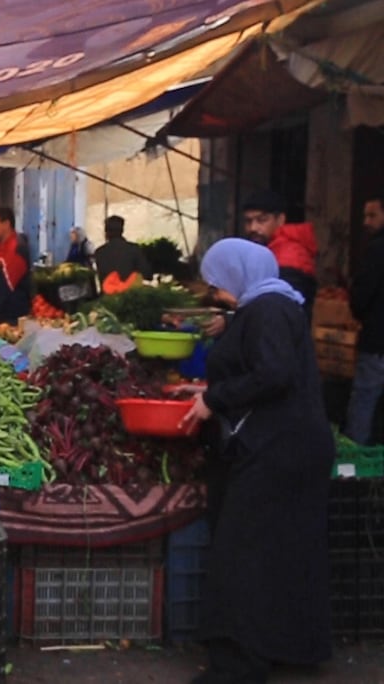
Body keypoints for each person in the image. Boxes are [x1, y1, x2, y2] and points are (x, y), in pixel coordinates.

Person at [179, 238, 333, 684]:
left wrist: (215, 399)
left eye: (218, 283)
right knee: (285, 553)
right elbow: (261, 362)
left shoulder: (266, 310)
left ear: (237, 275)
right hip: (291, 446)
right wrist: (229, 334)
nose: (215, 292)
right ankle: (291, 647)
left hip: (277, 451)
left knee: (242, 554)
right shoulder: (272, 305)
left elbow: (272, 373)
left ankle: (238, 665)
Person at [343, 195, 384, 444]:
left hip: (378, 341)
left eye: (372, 215)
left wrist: (359, 310)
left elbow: (362, 295)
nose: (366, 222)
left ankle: (353, 466)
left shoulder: (377, 249)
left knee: (364, 400)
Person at [242, 189, 318, 320]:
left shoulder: (290, 254)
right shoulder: (265, 250)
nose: (253, 228)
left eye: (262, 220)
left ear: (280, 219)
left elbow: (278, 308)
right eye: (248, 221)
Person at [93, 215, 152, 287]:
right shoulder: (134, 249)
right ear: (122, 230)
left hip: (108, 295)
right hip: (130, 293)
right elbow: (147, 274)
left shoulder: (99, 252)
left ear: (106, 231)